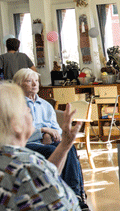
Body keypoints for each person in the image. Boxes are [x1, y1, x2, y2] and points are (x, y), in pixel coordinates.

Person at [13, 68, 91, 210]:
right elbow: (18, 133)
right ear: (18, 84)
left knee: (69, 147)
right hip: (28, 144)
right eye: (29, 81)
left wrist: (52, 133)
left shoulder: (45, 105)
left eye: (36, 80)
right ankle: (56, 195)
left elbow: (56, 129)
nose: (34, 84)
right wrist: (42, 132)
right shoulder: (16, 105)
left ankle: (76, 195)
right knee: (52, 150)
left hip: (49, 141)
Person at [0, 82, 82, 210]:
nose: (28, 109)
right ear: (14, 124)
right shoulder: (26, 165)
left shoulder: (8, 159)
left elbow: (47, 178)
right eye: (23, 107)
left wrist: (65, 144)